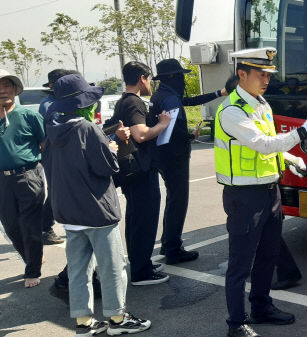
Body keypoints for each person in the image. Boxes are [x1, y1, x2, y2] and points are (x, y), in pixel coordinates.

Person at [214, 47, 307, 337]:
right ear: (242, 74)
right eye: (260, 74)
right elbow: (263, 145)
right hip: (244, 196)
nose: (266, 80)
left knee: (268, 255)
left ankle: (262, 307)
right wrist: (304, 131)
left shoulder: (261, 104)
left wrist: (291, 158)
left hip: (270, 191)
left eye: (268, 74)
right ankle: (236, 323)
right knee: (241, 264)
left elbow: (271, 144)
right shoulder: (231, 111)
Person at [45, 73, 151, 336]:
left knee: (80, 270)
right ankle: (117, 319)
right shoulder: (87, 129)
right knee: (112, 266)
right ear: (83, 103)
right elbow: (107, 167)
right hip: (96, 210)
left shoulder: (54, 128)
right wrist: (115, 147)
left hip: (69, 212)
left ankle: (84, 322)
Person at [149, 58, 228, 265]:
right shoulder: (171, 99)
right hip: (175, 158)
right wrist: (188, 138)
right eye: (182, 76)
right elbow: (173, 131)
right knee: (178, 202)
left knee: (173, 201)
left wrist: (219, 93)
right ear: (173, 77)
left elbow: (190, 101)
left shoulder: (162, 95)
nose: (184, 81)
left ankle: (168, 243)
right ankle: (173, 249)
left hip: (162, 157)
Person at [114, 61, 172, 285]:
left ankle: (142, 263)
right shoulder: (133, 103)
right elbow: (141, 135)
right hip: (140, 171)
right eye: (148, 78)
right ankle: (141, 271)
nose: (150, 83)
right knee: (144, 220)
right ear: (141, 78)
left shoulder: (125, 101)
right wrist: (163, 124)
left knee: (137, 219)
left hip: (134, 172)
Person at [0, 69, 45, 288]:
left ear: (15, 89)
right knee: (10, 227)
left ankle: (33, 271)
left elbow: (46, 146)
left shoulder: (29, 116)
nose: (3, 90)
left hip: (28, 176)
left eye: (7, 85)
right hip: (2, 181)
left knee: (30, 225)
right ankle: (32, 258)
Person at [39, 69, 79, 245]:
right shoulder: (50, 105)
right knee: (56, 189)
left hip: (62, 150)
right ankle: (45, 228)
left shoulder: (60, 102)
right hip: (53, 151)